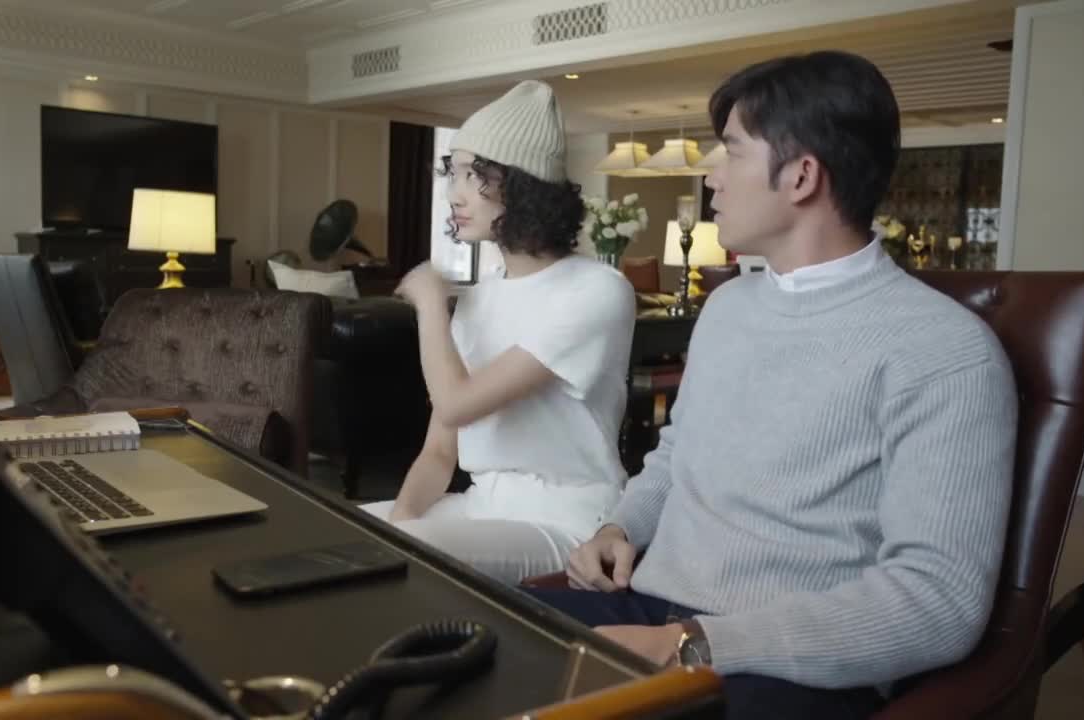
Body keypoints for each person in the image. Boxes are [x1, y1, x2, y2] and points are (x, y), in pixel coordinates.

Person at [527, 51, 1019, 719]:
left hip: (790, 662)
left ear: (801, 175)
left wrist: (693, 644)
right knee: (468, 638)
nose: (711, 174)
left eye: (731, 150)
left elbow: (939, 601)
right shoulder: (728, 307)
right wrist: (621, 526)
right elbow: (676, 456)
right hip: (648, 607)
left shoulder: (944, 350)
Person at [360, 81, 637, 585]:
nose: (455, 193)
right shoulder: (479, 298)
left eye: (476, 175)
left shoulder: (597, 290)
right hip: (480, 505)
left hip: (567, 521)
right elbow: (439, 452)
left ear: (526, 187)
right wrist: (400, 522)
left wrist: (429, 303)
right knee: (342, 532)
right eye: (455, 173)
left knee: (409, 554)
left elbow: (456, 405)